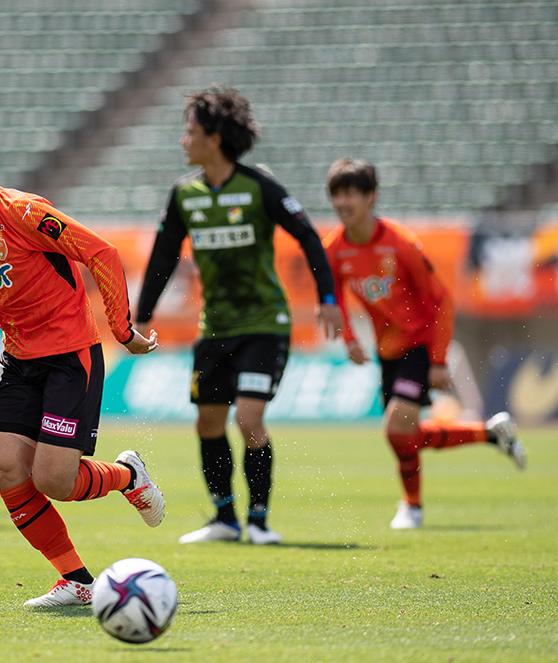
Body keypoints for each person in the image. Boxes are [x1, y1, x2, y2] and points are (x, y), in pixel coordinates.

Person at [0, 113, 164, 608]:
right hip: (18, 359)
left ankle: (127, 475)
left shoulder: (24, 212)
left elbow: (102, 254)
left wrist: (122, 331)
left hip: (70, 355)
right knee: (5, 468)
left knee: (55, 481)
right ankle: (76, 579)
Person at [135, 86, 344, 546]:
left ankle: (260, 521)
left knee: (249, 420)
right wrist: (141, 316)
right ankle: (225, 519)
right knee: (208, 424)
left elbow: (309, 237)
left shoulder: (258, 186)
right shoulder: (185, 194)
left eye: (190, 132)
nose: (183, 140)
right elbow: (163, 256)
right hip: (215, 329)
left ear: (213, 138)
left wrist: (328, 296)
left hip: (264, 326)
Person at [324, 157, 526, 529]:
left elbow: (441, 300)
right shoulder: (335, 248)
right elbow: (332, 295)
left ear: (370, 197)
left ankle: (411, 507)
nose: (341, 202)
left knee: (395, 427)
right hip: (386, 349)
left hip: (418, 342)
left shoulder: (401, 244)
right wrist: (349, 339)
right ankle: (490, 433)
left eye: (349, 193)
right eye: (336, 194)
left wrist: (437, 359)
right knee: (404, 436)